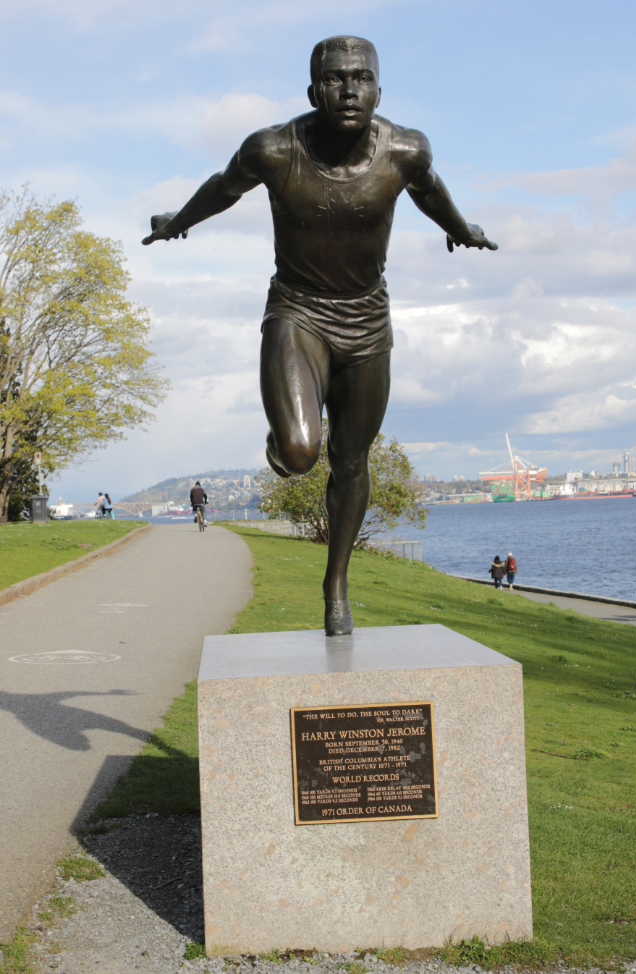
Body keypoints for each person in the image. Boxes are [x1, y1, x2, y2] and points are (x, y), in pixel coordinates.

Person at [142, 35, 497, 635]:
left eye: (361, 77)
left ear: (379, 89)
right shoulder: (275, 150)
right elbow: (224, 186)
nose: (350, 88)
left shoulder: (405, 150)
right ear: (314, 90)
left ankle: (336, 582)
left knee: (352, 460)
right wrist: (177, 222)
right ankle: (285, 440)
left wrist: (461, 229)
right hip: (298, 314)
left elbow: (430, 190)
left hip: (367, 323)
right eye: (335, 78)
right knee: (304, 452)